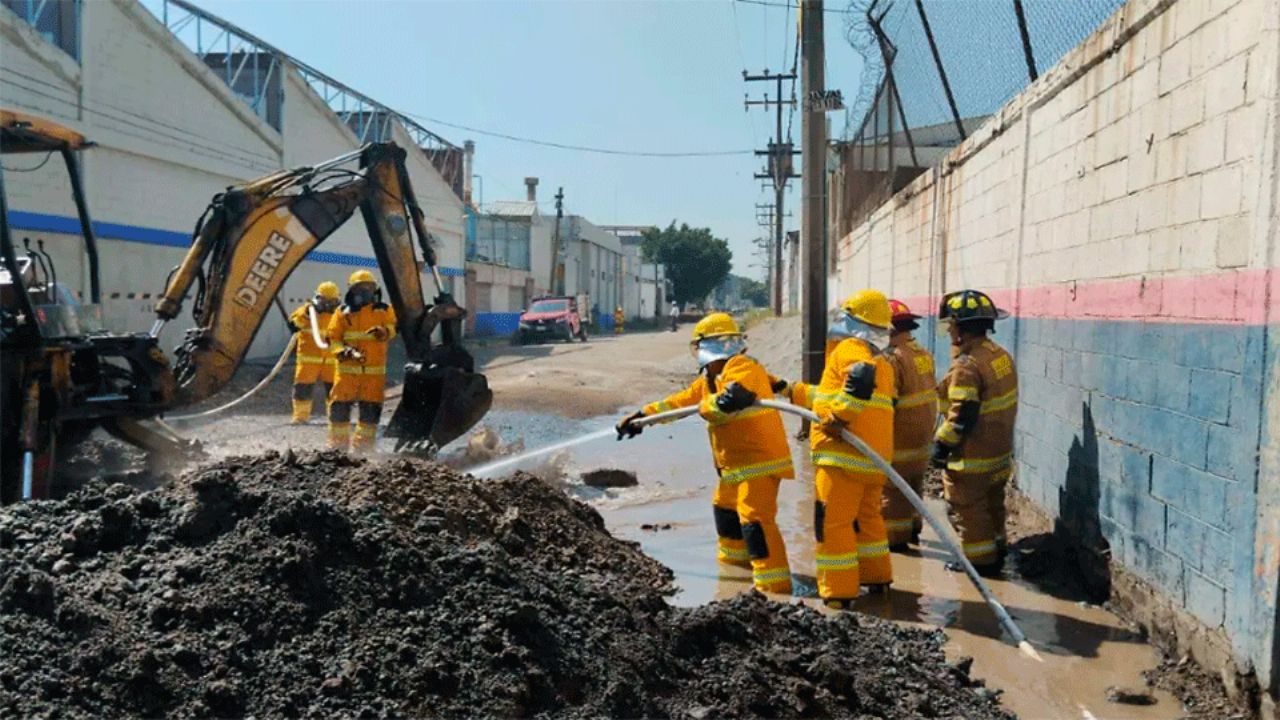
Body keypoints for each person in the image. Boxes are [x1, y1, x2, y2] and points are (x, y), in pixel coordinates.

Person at [616, 313, 794, 594]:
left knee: (755, 521)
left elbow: (728, 403)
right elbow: (678, 403)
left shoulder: (743, 367)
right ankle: (734, 576)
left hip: (759, 463)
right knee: (725, 512)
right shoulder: (710, 378)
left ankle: (774, 588)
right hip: (734, 467)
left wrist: (704, 407)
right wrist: (642, 418)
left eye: (700, 346)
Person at [807, 289, 896, 607]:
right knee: (868, 520)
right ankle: (876, 578)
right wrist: (787, 390)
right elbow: (829, 394)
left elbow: (858, 380)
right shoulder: (882, 363)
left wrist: (837, 418)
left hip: (842, 456)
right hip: (872, 462)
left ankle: (838, 593)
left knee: (833, 524)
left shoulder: (850, 349)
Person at [933, 289, 1017, 577]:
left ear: (962, 327)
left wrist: (941, 445)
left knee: (969, 508)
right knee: (993, 503)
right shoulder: (999, 355)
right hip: (999, 453)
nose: (949, 331)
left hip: (973, 456)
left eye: (951, 325)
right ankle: (997, 547)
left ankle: (980, 562)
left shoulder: (967, 366)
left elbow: (962, 414)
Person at [882, 299, 937, 551]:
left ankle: (896, 542)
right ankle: (913, 529)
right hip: (922, 441)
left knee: (893, 492)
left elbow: (886, 406)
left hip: (899, 442)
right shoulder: (922, 353)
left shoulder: (893, 360)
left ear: (889, 329)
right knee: (914, 487)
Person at [326, 270, 397, 452]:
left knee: (370, 413)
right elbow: (332, 338)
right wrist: (342, 352)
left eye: (369, 287)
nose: (365, 291)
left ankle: (363, 450)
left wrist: (384, 332)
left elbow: (393, 327)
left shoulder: (384, 310)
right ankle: (337, 449)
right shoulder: (342, 313)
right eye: (361, 288)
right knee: (339, 410)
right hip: (346, 372)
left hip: (373, 374)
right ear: (352, 290)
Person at [288, 282, 341, 424]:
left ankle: (335, 417)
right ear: (318, 298)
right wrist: (307, 314)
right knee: (303, 388)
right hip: (309, 358)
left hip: (331, 359)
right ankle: (300, 417)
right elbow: (293, 325)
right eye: (325, 301)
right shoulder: (307, 311)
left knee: (334, 390)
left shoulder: (339, 315)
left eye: (332, 302)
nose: (329, 305)